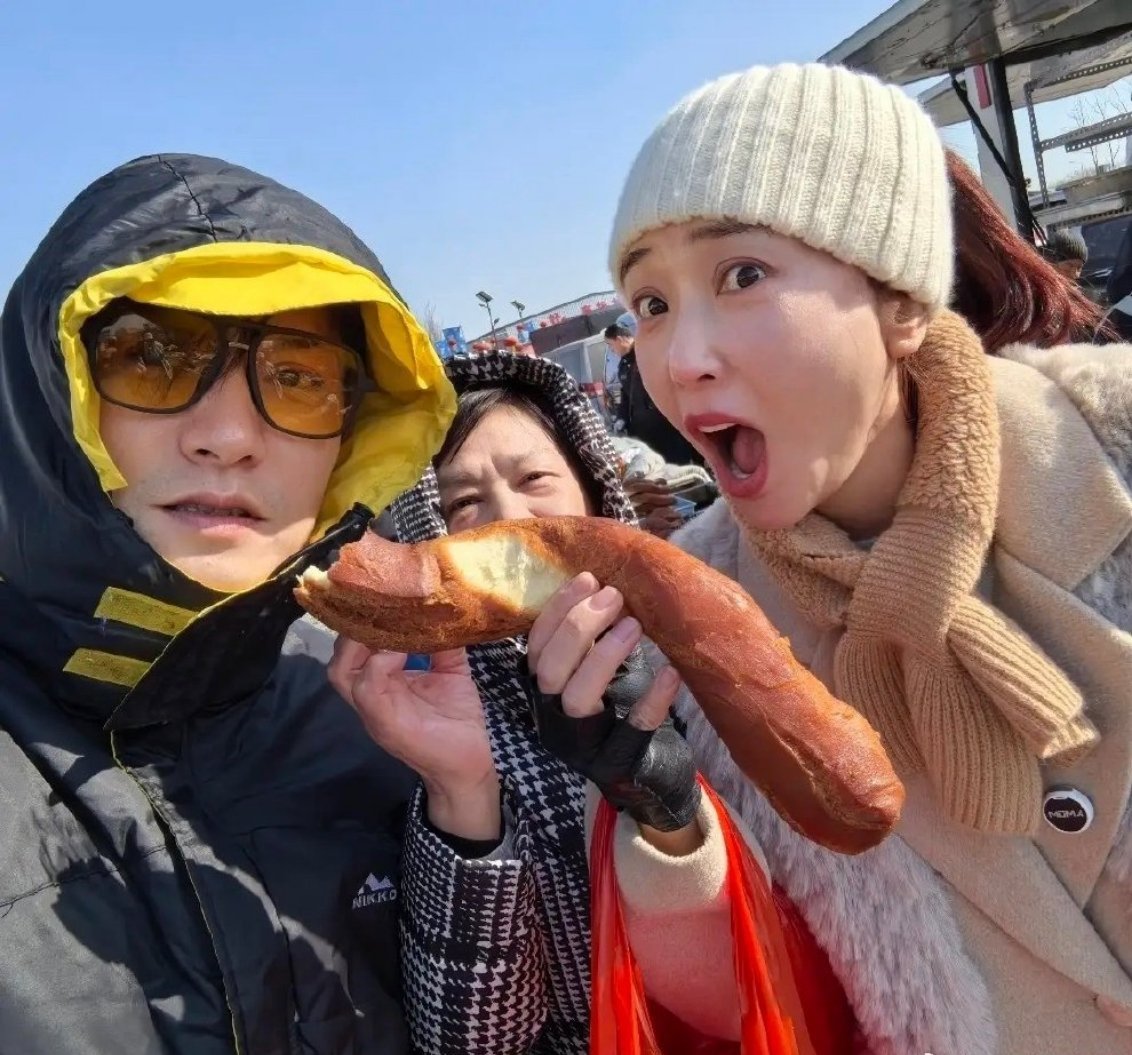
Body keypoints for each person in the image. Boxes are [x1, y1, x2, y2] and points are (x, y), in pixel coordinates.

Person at [599, 63, 1132, 1055]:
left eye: (742, 275)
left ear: (899, 299)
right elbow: (761, 1005)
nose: (681, 358)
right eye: (651, 302)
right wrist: (665, 824)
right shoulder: (694, 635)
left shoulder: (1116, 441)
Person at [0, 152, 487, 1053]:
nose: (228, 436)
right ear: (51, 393)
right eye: (148, 359)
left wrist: (470, 814)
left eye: (300, 377)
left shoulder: (378, 712)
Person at [330, 351, 846, 1054]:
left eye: (534, 480)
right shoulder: (421, 711)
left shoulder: (709, 640)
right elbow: (471, 1044)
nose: (510, 519)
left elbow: (829, 921)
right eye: (464, 503)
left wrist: (665, 806)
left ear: (591, 488)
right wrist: (462, 794)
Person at [946, 150, 1111, 349]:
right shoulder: (1032, 303)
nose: (1076, 274)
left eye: (1079, 268)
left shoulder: (1038, 306)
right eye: (1070, 265)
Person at [603, 321, 703, 466]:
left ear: (619, 339)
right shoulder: (624, 365)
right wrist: (621, 418)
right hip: (644, 431)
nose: (612, 350)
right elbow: (626, 396)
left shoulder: (647, 354)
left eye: (611, 345)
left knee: (680, 465)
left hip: (665, 426)